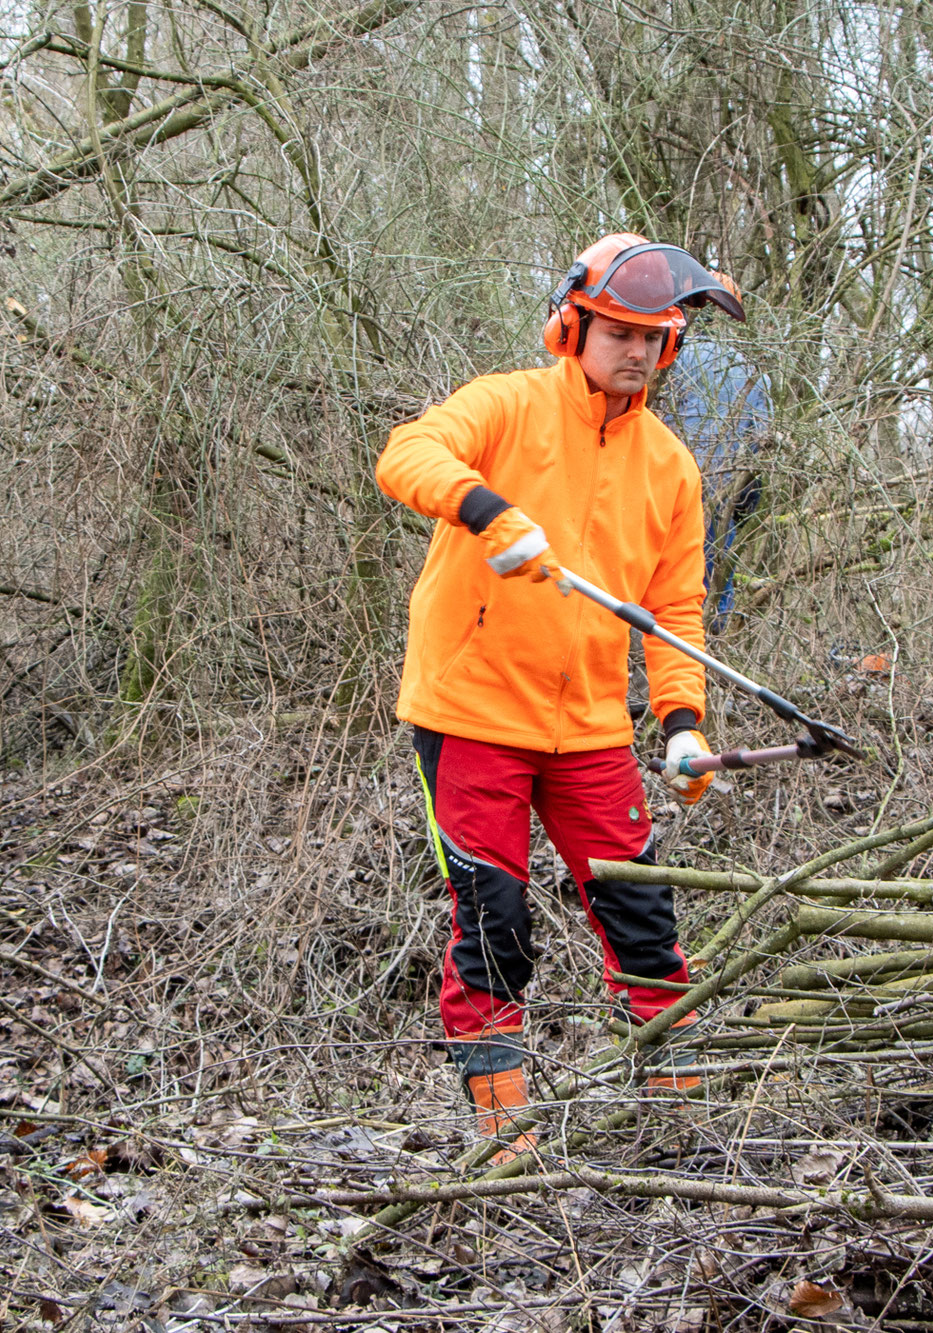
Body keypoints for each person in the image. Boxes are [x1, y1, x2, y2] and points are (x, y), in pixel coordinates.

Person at [375, 234, 746, 1159]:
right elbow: (407, 452)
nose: (634, 351)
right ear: (572, 325)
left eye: (653, 337)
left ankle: (678, 1121)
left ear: (671, 348)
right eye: (617, 330)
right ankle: (502, 1136)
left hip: (586, 726)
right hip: (471, 711)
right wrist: (483, 508)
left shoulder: (671, 466)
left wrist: (684, 725)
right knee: (494, 920)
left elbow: (675, 610)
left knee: (643, 912)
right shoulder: (506, 406)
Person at [657, 327, 771, 628]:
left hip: (664, 485)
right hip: (721, 493)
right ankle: (707, 654)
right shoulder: (753, 374)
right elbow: (758, 449)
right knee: (708, 593)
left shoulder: (671, 359)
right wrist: (744, 508)